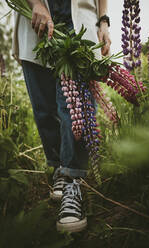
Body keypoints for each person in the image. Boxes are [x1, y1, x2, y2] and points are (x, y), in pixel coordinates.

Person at [12, 0, 111, 233]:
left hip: (79, 19)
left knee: (75, 107)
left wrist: (104, 20)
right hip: (35, 19)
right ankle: (59, 167)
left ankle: (72, 181)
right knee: (44, 109)